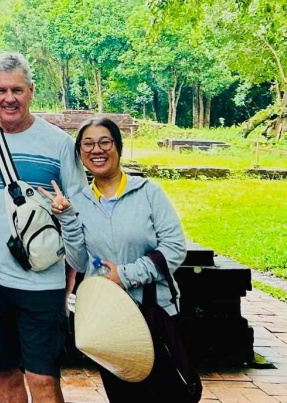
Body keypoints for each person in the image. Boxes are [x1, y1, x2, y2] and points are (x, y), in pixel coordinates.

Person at [0, 52, 84, 403]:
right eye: (1, 91)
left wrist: (71, 273)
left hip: (43, 281)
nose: (9, 99)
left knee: (43, 377)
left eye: (17, 90)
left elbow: (77, 210)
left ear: (31, 91)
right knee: (6, 373)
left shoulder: (58, 144)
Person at [66, 117, 192, 402]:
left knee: (167, 393)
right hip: (110, 320)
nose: (96, 150)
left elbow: (174, 247)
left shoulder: (148, 193)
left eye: (104, 142)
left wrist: (125, 275)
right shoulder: (80, 202)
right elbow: (78, 261)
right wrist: (67, 220)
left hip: (154, 312)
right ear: (81, 154)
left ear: (118, 147)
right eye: (87, 144)